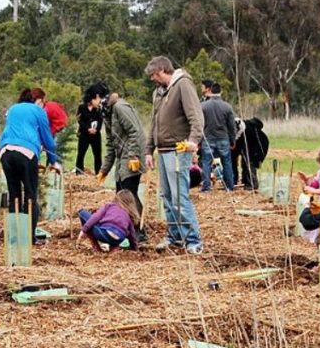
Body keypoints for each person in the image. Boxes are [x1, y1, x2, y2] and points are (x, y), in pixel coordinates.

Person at [143, 56, 204, 254]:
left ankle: (193, 240)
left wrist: (193, 141)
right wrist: (148, 150)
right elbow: (154, 123)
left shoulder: (183, 85)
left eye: (154, 75)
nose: (153, 79)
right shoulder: (158, 93)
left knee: (179, 196)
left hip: (178, 150)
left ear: (162, 70)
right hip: (163, 150)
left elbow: (196, 116)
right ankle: (175, 235)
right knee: (167, 196)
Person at [0, 88, 63, 241]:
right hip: (26, 153)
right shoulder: (38, 111)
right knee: (30, 195)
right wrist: (53, 161)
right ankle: (29, 237)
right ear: (39, 101)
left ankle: (14, 236)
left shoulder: (13, 109)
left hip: (6, 151)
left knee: (14, 194)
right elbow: (48, 139)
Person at [98, 93, 146, 228]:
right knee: (120, 192)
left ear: (98, 97)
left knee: (128, 193)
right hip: (122, 158)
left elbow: (134, 131)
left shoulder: (120, 107)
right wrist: (104, 169)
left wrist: (133, 156)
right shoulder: (106, 114)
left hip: (132, 156)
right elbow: (110, 144)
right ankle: (126, 227)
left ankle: (138, 229)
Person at [199, 81, 236, 192]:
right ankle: (229, 186)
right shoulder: (227, 107)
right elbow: (231, 126)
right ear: (221, 92)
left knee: (206, 162)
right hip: (223, 138)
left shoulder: (203, 106)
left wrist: (199, 140)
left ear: (210, 91)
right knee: (227, 162)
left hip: (208, 138)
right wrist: (232, 140)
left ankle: (206, 187)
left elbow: (200, 124)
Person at [234, 117, 269, 190]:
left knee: (250, 163)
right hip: (251, 147)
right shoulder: (242, 130)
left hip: (258, 147)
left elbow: (238, 147)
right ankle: (245, 181)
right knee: (245, 162)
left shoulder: (248, 131)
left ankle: (252, 184)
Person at [75, 88, 104, 174]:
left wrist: (96, 129)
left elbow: (100, 120)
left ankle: (98, 173)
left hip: (95, 135)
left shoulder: (99, 108)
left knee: (97, 155)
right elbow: (80, 120)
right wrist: (88, 128)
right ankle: (79, 172)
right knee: (81, 154)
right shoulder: (82, 107)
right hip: (84, 134)